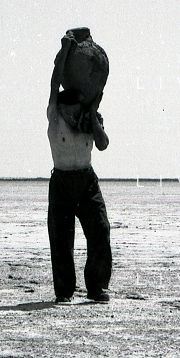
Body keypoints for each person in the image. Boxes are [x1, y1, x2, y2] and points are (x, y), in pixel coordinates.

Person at [46, 34, 111, 303]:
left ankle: (97, 287)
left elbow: (103, 144)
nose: (72, 117)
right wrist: (65, 50)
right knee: (61, 238)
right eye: (69, 112)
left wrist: (92, 114)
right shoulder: (54, 117)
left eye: (76, 112)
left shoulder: (89, 119)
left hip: (87, 180)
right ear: (61, 108)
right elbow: (54, 84)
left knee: (100, 229)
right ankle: (64, 291)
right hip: (61, 180)